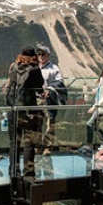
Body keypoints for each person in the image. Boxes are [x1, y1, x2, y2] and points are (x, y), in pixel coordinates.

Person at [5, 48, 44, 178]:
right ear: (34, 56)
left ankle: (13, 172)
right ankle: (28, 173)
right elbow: (39, 88)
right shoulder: (34, 69)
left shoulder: (13, 66)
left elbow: (8, 86)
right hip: (29, 110)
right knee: (29, 143)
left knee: (14, 142)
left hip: (13, 109)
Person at [36, 46, 67, 156]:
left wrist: (50, 89)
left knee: (50, 124)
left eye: (43, 54)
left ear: (48, 55)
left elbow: (60, 82)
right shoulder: (35, 67)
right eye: (39, 54)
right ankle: (38, 146)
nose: (41, 56)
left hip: (50, 100)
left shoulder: (54, 68)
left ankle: (48, 146)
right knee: (37, 124)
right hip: (37, 100)